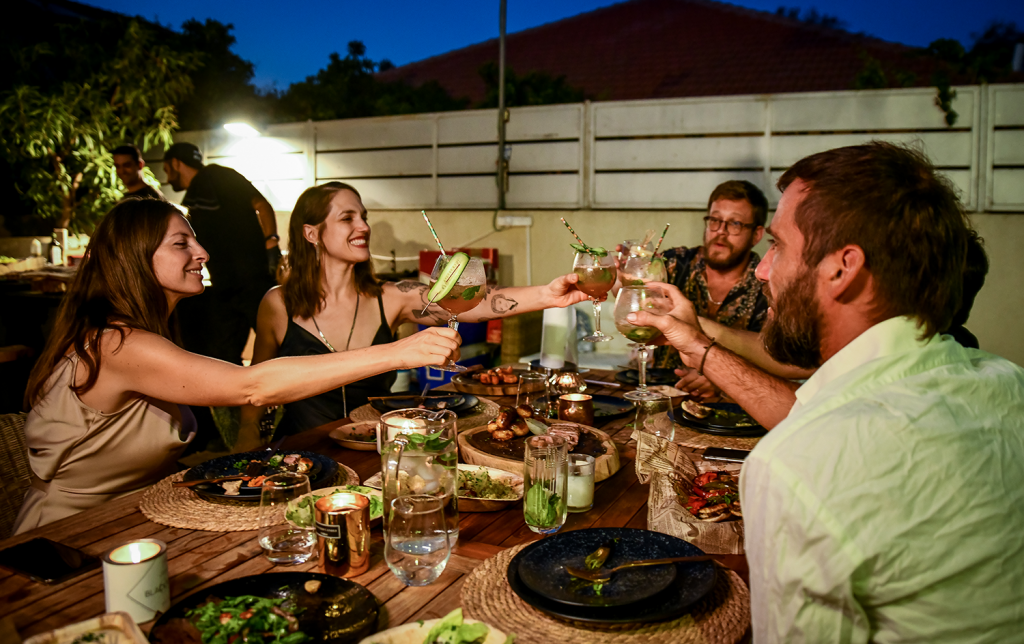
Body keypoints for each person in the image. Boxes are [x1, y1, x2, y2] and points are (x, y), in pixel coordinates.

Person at [629, 142, 1024, 642]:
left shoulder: (796, 467)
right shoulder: (1007, 381)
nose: (764, 269)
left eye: (777, 246)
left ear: (843, 267)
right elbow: (809, 413)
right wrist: (696, 344)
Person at [13, 199, 460, 535]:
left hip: (138, 516)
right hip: (71, 535)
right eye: (181, 243)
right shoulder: (117, 344)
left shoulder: (146, 334)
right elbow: (252, 386)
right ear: (134, 257)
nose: (203, 252)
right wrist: (399, 352)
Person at [243, 182, 592, 445]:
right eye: (347, 218)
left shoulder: (389, 297)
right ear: (311, 233)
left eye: (364, 217)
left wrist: (547, 295)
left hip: (375, 447)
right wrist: (245, 442)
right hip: (303, 450)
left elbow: (475, 302)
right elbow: (254, 389)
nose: (363, 227)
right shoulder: (278, 304)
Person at [163, 142, 282, 449]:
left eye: (166, 168)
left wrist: (271, 243)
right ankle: (229, 430)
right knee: (223, 355)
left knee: (281, 346)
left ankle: (290, 422)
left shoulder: (219, 175)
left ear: (176, 163)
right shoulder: (193, 199)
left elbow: (261, 204)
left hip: (253, 279)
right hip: (225, 286)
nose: (166, 176)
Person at [645, 180, 770, 396]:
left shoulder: (768, 285)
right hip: (660, 395)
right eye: (715, 220)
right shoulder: (674, 263)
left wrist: (724, 380)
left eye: (735, 224)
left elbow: (775, 360)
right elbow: (634, 297)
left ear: (756, 235)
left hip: (732, 407)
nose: (720, 232)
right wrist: (622, 275)